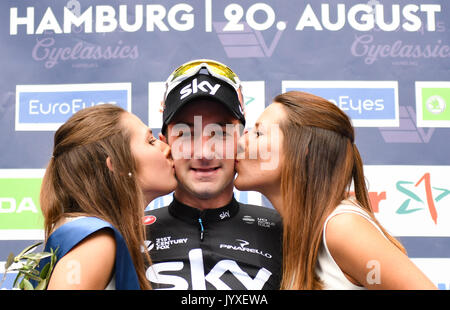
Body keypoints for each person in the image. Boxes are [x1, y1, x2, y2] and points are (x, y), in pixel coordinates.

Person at [234, 91, 437, 290]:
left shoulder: (341, 227)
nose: (241, 143)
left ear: (303, 152)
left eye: (258, 133)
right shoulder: (302, 235)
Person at [144, 59, 282, 290]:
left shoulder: (287, 233)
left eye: (220, 133)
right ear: (165, 145)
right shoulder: (125, 235)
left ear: (242, 141)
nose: (204, 153)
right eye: (186, 134)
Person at [38, 104, 177, 289]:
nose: (167, 148)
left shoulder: (93, 235)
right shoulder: (95, 241)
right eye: (150, 141)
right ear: (118, 166)